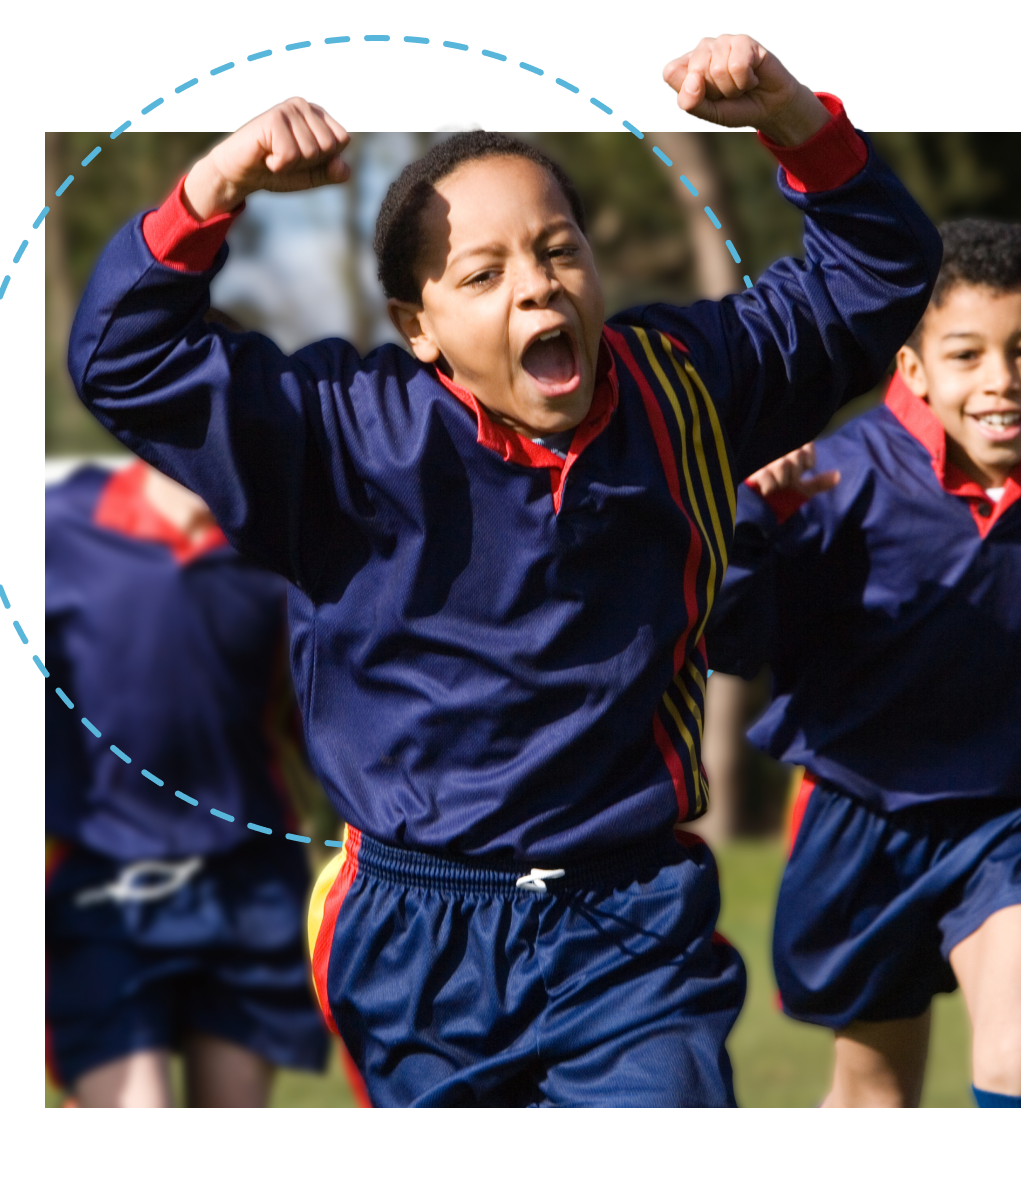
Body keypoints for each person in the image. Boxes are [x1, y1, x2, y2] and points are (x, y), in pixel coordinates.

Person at [66, 34, 941, 1107]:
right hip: (414, 938)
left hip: (628, 923)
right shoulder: (341, 436)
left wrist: (795, 118)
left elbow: (881, 273)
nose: (537, 287)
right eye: (483, 275)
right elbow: (122, 357)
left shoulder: (683, 388)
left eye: (559, 249)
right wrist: (216, 183)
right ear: (418, 328)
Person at [705, 218, 1020, 1107]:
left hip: (1002, 818)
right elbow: (730, 644)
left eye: (1022, 352)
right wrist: (749, 531)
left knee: (1016, 1052)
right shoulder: (832, 480)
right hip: (860, 820)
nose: (1002, 379)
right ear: (913, 370)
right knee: (875, 1094)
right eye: (968, 354)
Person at [44, 437, 335, 1107]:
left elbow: (321, 718)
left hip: (249, 888)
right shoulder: (63, 527)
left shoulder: (281, 547)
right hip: (106, 883)